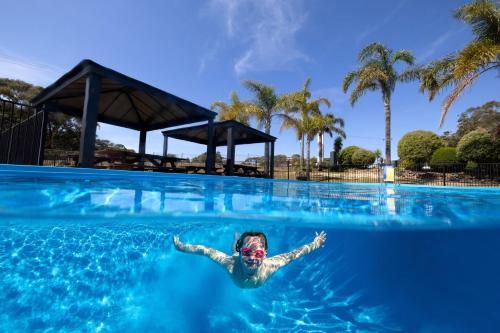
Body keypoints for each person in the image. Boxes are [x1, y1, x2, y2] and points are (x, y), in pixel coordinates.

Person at [172, 231, 327, 289]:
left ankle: (239, 241)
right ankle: (237, 239)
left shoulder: (271, 265)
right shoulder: (230, 264)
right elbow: (205, 250)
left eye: (258, 253)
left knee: (236, 250)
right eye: (247, 252)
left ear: (265, 254)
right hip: (235, 256)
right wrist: (182, 247)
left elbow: (295, 254)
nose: (252, 258)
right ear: (242, 253)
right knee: (233, 250)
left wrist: (316, 243)